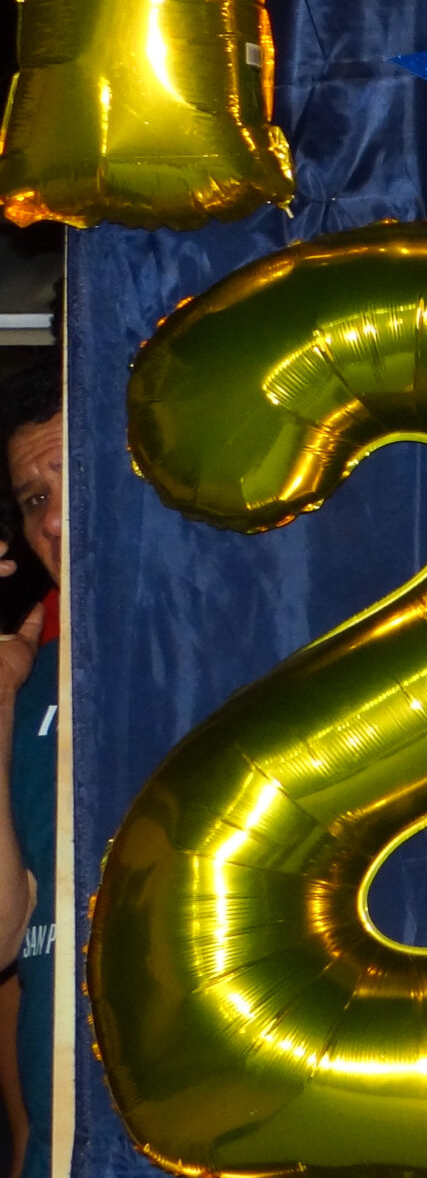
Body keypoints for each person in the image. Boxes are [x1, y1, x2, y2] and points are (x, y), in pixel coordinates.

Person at [0, 366, 60, 1178]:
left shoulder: (212, 646)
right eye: (34, 497)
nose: (52, 519)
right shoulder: (28, 677)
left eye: (70, 483)